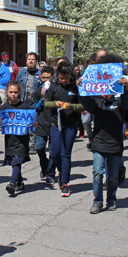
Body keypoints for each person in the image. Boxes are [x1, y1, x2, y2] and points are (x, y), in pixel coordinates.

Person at [80, 52, 128, 213]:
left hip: (115, 144)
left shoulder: (120, 105)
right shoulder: (97, 104)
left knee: (113, 176)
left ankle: (112, 199)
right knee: (97, 173)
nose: (106, 92)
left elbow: (127, 100)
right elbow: (85, 101)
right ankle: (97, 201)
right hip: (99, 143)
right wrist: (81, 86)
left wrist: (127, 86)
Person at [44, 62, 85, 197]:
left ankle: (65, 183)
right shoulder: (54, 86)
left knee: (66, 153)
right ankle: (61, 171)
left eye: (66, 78)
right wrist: (54, 104)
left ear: (70, 76)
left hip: (71, 124)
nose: (63, 81)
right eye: (61, 78)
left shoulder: (76, 87)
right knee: (54, 153)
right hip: (56, 124)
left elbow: (83, 107)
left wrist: (71, 106)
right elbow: (46, 103)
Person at [0, 81, 34, 194]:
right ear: (7, 92)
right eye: (11, 92)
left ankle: (12, 183)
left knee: (17, 161)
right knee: (14, 161)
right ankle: (20, 182)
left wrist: (33, 122)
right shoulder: (4, 107)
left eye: (16, 92)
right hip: (10, 140)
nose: (13, 94)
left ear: (19, 93)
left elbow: (32, 122)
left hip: (22, 140)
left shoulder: (25, 106)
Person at [33, 66, 56, 184]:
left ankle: (50, 173)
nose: (46, 80)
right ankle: (44, 166)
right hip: (41, 123)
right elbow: (35, 108)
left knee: (53, 150)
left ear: (53, 77)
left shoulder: (56, 89)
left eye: (48, 77)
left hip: (53, 123)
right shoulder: (38, 91)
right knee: (39, 147)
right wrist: (42, 98)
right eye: (44, 77)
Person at [16, 52, 42, 154]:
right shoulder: (21, 73)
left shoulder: (39, 74)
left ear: (36, 61)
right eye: (29, 59)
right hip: (23, 102)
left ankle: (32, 145)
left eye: (33, 59)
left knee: (33, 124)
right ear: (26, 61)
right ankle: (23, 144)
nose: (31, 61)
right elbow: (16, 87)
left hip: (34, 103)